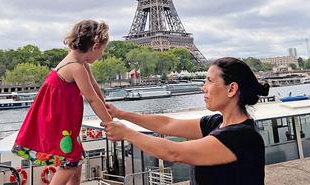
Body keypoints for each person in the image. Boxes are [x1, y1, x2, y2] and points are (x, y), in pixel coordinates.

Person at [104, 57, 270, 185]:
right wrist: (122, 114)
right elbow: (167, 124)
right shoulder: (217, 123)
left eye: (210, 81)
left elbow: (174, 152)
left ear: (231, 89)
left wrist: (126, 133)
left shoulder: (241, 137)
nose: (203, 87)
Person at [12, 19, 112, 185]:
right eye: (102, 50)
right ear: (95, 46)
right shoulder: (76, 67)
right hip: (58, 122)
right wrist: (110, 123)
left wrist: (106, 108)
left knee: (76, 162)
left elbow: (94, 87)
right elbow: (92, 99)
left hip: (62, 122)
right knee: (70, 163)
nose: (102, 54)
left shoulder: (79, 62)